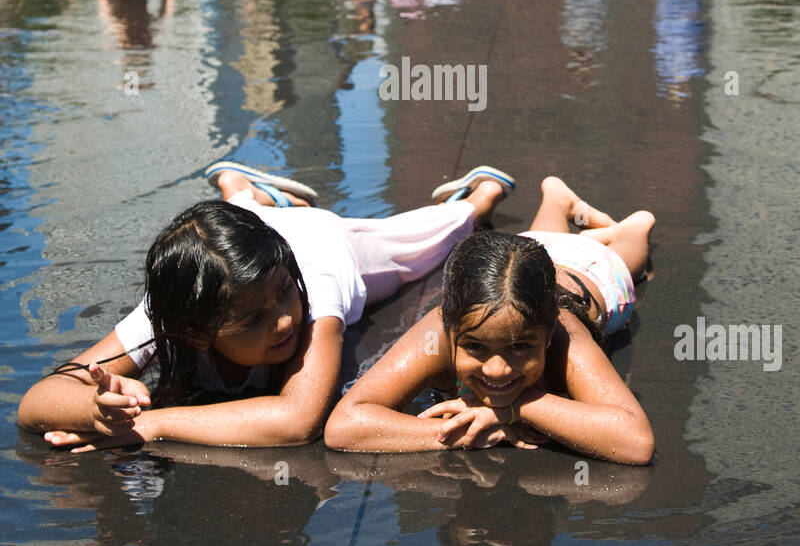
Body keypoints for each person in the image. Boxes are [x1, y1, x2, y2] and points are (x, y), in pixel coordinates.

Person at [18, 162, 516, 450]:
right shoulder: (172, 309)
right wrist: (93, 409)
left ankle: (483, 195)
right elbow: (36, 401)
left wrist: (152, 423)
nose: (283, 318)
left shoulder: (313, 289)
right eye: (253, 319)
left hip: (324, 244)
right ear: (194, 332)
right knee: (236, 230)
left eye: (282, 296)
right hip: (258, 252)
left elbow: (295, 420)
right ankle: (241, 191)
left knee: (437, 234)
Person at [324, 175, 655, 462]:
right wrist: (461, 432)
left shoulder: (565, 333)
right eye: (475, 347)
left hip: (594, 272)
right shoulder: (442, 330)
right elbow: (344, 426)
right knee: (538, 244)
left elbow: (635, 443)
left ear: (547, 334)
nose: (497, 369)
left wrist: (515, 408)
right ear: (450, 328)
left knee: (630, 251)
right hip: (525, 257)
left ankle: (636, 223)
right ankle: (557, 201)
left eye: (521, 347)